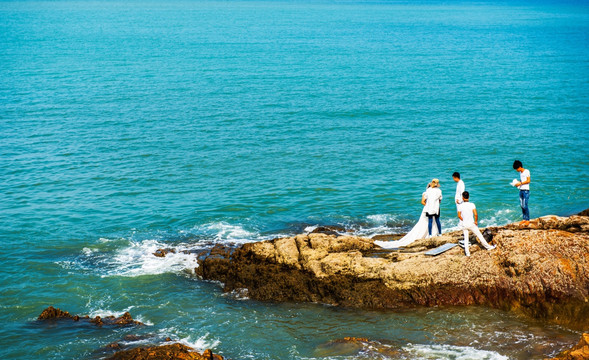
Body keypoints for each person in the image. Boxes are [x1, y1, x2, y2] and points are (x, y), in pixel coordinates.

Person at [374, 182, 439, 249]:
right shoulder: (425, 193)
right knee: (425, 222)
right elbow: (422, 202)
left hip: (434, 209)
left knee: (433, 221)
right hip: (427, 209)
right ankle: (426, 235)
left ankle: (433, 234)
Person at [457, 191, 495, 257]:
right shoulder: (472, 204)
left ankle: (467, 253)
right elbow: (475, 214)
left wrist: (463, 220)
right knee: (480, 236)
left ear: (463, 198)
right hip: (471, 223)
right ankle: (488, 247)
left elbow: (459, 215)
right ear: (468, 197)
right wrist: (476, 221)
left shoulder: (460, 206)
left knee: (466, 239)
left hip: (464, 224)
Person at [513, 160, 531, 225]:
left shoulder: (527, 171)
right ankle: (524, 218)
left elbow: (528, 181)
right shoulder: (520, 173)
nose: (516, 170)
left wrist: (520, 183)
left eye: (517, 168)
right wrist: (517, 183)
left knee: (525, 205)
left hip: (526, 190)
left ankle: (527, 219)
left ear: (520, 167)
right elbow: (522, 180)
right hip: (521, 190)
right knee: (522, 205)